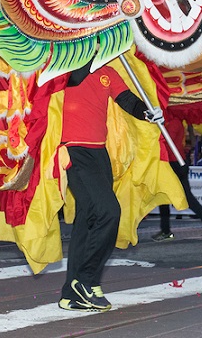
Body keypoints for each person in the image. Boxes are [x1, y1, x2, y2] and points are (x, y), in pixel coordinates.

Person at [55, 59, 162, 313]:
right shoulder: (68, 67)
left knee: (89, 217)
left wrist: (147, 112)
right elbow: (77, 76)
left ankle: (71, 293)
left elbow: (127, 100)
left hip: (99, 153)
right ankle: (86, 280)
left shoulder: (109, 72)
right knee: (108, 212)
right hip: (74, 149)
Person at [151, 114, 202, 244]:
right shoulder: (173, 121)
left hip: (174, 163)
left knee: (184, 197)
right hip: (173, 162)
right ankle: (166, 230)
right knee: (164, 196)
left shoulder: (174, 121)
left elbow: (166, 140)